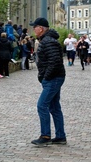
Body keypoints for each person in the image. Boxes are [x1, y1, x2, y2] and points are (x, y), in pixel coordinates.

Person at [29, 18, 66, 146]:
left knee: (42, 105)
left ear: (41, 28)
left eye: (35, 27)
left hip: (53, 78)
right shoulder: (47, 40)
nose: (34, 29)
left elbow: (54, 61)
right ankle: (60, 136)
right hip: (54, 77)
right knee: (54, 107)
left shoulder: (48, 41)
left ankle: (45, 136)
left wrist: (45, 77)